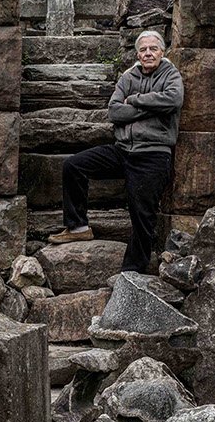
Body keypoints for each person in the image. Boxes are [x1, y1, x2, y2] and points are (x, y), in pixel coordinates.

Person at [48, 29, 183, 273]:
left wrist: (135, 100)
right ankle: (78, 227)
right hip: (122, 150)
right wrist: (152, 107)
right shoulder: (128, 76)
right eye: (143, 49)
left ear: (162, 52)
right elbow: (114, 111)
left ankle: (133, 272)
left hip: (152, 154)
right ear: (137, 54)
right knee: (73, 165)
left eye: (153, 49)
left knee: (142, 214)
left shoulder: (170, 74)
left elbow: (173, 100)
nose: (148, 53)